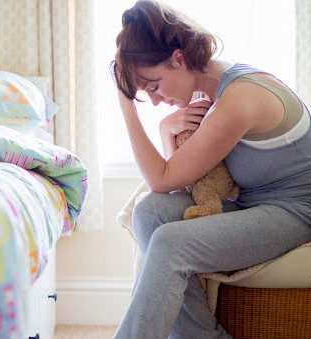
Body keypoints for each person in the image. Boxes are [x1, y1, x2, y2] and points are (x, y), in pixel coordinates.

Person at [111, 0, 311, 338]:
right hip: (251, 202)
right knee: (149, 212)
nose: (156, 100)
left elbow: (162, 178)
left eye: (154, 86)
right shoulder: (217, 89)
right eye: (147, 93)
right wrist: (165, 130)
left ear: (178, 58)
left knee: (171, 243)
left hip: (294, 212)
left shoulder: (238, 99)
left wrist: (125, 106)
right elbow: (181, 181)